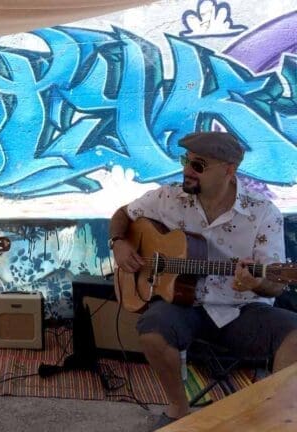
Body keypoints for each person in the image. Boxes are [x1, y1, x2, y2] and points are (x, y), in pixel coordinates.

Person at [108, 131, 297, 430]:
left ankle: (275, 415)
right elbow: (123, 215)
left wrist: (255, 283)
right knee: (152, 329)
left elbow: (276, 283)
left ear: (228, 169)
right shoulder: (168, 197)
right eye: (186, 161)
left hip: (241, 310)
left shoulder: (262, 213)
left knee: (294, 334)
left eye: (198, 165)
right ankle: (178, 410)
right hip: (185, 304)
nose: (186, 170)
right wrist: (119, 242)